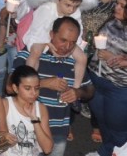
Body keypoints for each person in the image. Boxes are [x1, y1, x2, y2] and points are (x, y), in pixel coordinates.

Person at [13, 17, 95, 156]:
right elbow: (10, 85)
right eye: (63, 40)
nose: (67, 46)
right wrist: (43, 83)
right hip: (28, 129)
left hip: (58, 131)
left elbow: (90, 90)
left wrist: (77, 93)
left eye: (73, 42)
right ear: (51, 34)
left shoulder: (75, 61)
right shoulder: (32, 53)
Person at [87, 0, 127, 156]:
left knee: (118, 128)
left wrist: (122, 60)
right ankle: (105, 151)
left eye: (123, 6)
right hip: (97, 80)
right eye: (117, 3)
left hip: (118, 87)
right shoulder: (113, 21)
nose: (116, 7)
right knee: (103, 122)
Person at [1, 65, 55, 156]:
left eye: (37, 88)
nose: (34, 93)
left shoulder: (41, 108)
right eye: (27, 88)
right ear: (15, 88)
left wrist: (35, 120)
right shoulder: (5, 105)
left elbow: (48, 149)